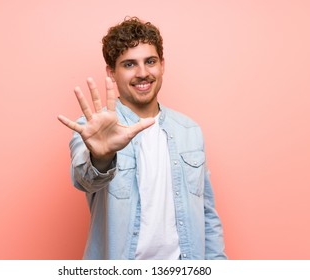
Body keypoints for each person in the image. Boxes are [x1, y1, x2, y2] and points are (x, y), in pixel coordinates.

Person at [58, 17, 226, 260]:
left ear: (162, 65)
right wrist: (101, 157)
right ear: (111, 73)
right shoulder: (92, 128)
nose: (143, 73)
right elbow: (84, 180)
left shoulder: (189, 131)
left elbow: (206, 213)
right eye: (129, 64)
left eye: (150, 61)